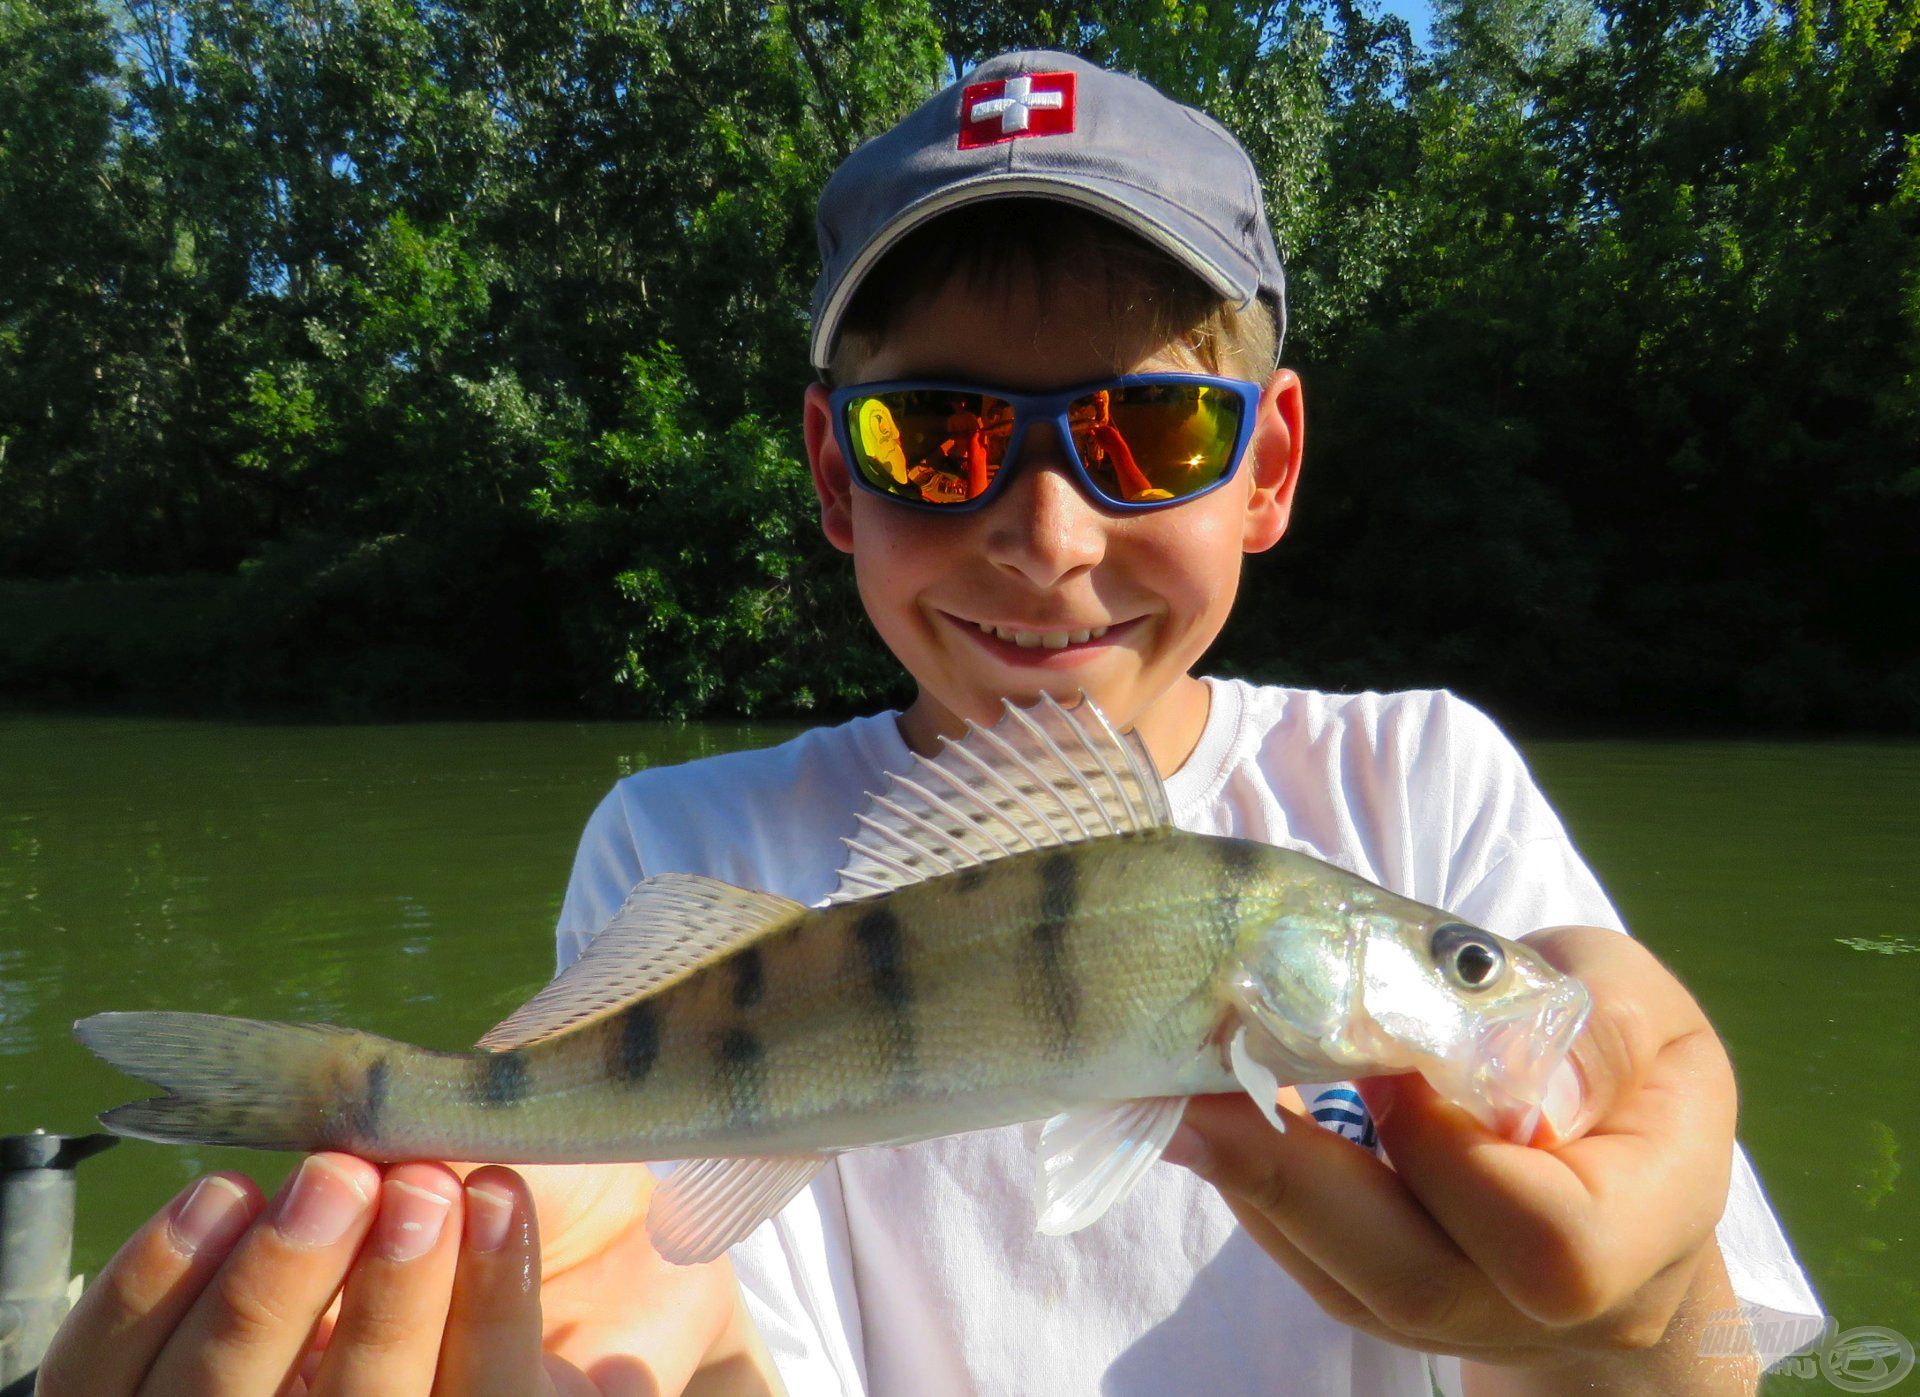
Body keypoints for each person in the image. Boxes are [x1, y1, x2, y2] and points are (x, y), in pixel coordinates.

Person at [39, 49, 1824, 1397]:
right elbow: (680, 1290)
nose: (1047, 534)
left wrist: (1649, 1312)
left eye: (1148, 437)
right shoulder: (679, 844)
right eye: (941, 441)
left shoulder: (1421, 782)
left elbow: (1689, 1353)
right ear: (835, 470)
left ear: (1269, 461)